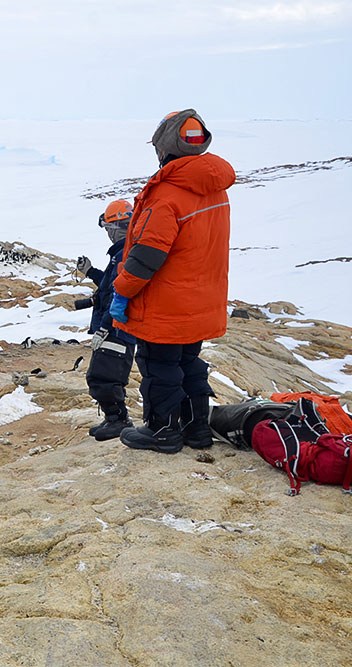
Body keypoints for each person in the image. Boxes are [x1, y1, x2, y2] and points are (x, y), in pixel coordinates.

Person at [110, 109, 236, 453]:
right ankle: (196, 430)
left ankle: (163, 431)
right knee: (189, 363)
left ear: (165, 149)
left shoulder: (167, 194)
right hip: (199, 302)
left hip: (166, 305)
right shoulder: (213, 188)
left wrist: (120, 290)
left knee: (159, 367)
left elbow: (146, 257)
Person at [75, 200, 137, 441]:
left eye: (108, 227)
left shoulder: (125, 253)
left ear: (117, 227)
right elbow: (109, 286)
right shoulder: (123, 253)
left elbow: (117, 293)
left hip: (117, 329)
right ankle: (113, 418)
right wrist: (90, 272)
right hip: (116, 327)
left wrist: (104, 326)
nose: (107, 233)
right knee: (105, 374)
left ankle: (119, 420)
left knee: (103, 376)